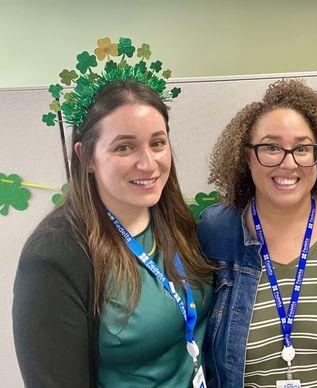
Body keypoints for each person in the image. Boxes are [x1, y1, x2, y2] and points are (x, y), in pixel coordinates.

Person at [13, 38, 212, 387]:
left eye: (157, 142)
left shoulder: (176, 220)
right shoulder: (55, 256)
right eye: (124, 146)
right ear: (86, 156)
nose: (147, 163)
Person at [198, 79, 317, 387]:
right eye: (271, 147)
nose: (288, 162)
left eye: (302, 148)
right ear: (246, 156)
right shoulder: (216, 233)